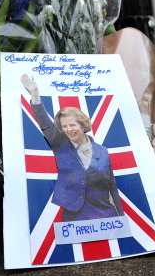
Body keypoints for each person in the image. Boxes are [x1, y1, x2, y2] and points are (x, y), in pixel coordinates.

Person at [20, 74, 125, 222]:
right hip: (74, 214)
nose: (69, 129)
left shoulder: (103, 151)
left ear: (83, 125)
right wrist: (34, 94)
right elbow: (44, 121)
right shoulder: (60, 143)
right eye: (65, 126)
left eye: (72, 125)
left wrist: (121, 215)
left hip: (104, 212)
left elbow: (111, 185)